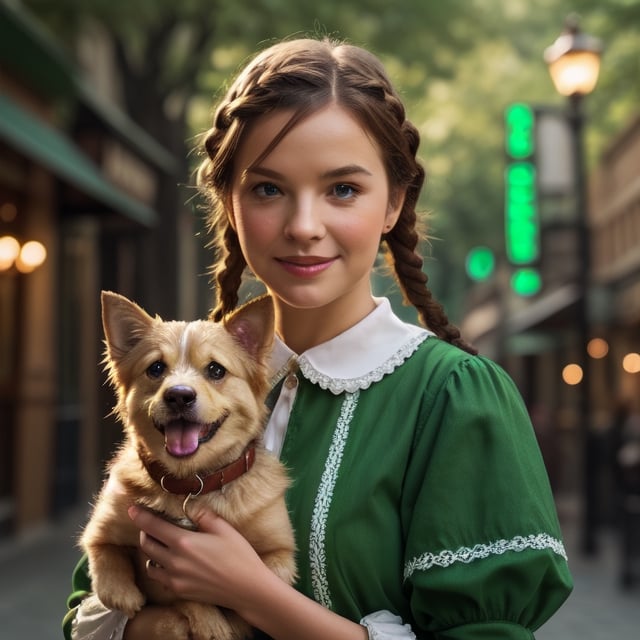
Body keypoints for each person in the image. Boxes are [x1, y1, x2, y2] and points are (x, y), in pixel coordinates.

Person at [63, 36, 573, 640]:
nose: (304, 227)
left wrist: (251, 593)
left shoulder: (454, 398)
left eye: (343, 189)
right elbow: (87, 610)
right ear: (228, 203)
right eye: (269, 189)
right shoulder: (177, 386)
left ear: (394, 203)